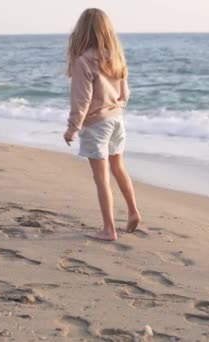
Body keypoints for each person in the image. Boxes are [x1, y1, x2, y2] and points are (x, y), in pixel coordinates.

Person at [63, 8, 141, 241]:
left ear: (81, 31)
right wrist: (114, 105)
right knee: (118, 167)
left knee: (101, 178)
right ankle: (133, 211)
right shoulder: (115, 57)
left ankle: (109, 229)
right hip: (117, 120)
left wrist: (72, 127)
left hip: (97, 124)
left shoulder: (83, 60)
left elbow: (82, 100)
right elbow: (125, 94)